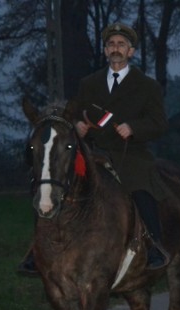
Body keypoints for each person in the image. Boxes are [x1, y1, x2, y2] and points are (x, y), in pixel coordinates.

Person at [70, 23, 169, 269]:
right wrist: (77, 125)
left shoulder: (148, 86)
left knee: (140, 187)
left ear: (131, 52)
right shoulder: (88, 84)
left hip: (131, 154)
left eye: (121, 45)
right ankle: (42, 247)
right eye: (111, 44)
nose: (116, 49)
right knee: (55, 183)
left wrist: (134, 128)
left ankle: (154, 245)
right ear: (105, 51)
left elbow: (159, 123)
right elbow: (72, 113)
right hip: (95, 151)